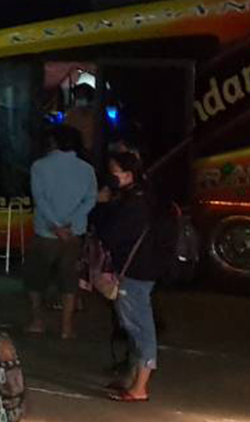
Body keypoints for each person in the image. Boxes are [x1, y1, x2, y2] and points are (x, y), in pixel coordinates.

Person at [94, 150, 162, 403]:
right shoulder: (139, 197)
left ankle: (139, 388)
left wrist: (102, 205)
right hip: (139, 270)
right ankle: (132, 380)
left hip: (135, 272)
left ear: (129, 174)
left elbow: (110, 234)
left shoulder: (134, 203)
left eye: (115, 172)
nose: (111, 177)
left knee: (140, 329)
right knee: (133, 327)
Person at [25, 125, 98, 339]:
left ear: (53, 142)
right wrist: (69, 223)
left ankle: (38, 321)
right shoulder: (86, 169)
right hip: (73, 233)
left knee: (36, 279)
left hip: (46, 233)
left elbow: (40, 199)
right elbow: (90, 200)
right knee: (69, 281)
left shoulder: (39, 166)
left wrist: (56, 225)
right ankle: (67, 327)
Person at [63, 83, 102, 162]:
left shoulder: (98, 114)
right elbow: (66, 132)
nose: (78, 99)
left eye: (81, 96)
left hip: (94, 153)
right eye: (77, 97)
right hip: (75, 153)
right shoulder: (71, 114)